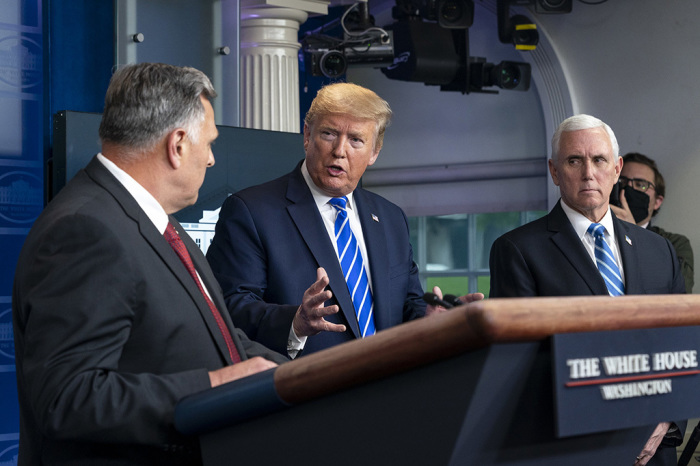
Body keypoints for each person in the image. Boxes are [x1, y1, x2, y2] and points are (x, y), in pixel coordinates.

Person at [12, 63, 288, 465]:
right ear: (177, 144)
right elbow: (67, 398)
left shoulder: (155, 221)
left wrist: (316, 375)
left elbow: (220, 342)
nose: (211, 160)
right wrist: (212, 385)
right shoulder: (86, 229)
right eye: (209, 143)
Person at [206, 82, 483, 358]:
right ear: (306, 135)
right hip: (307, 391)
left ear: (374, 152)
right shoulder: (251, 211)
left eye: (356, 140)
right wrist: (295, 322)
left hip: (388, 387)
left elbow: (405, 304)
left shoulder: (390, 217)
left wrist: (431, 319)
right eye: (329, 134)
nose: (340, 150)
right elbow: (230, 307)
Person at [488, 114, 685, 466]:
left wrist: (666, 419)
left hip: (655, 449)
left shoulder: (659, 251)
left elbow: (683, 344)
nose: (588, 172)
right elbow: (521, 365)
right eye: (574, 160)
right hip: (572, 450)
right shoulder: (517, 249)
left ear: (616, 168)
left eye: (599, 160)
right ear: (554, 171)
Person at [611, 152, 694, 293]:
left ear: (657, 201)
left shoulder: (674, 244)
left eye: (641, 185)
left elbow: (678, 297)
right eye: (622, 182)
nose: (629, 189)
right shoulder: (597, 234)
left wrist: (634, 234)